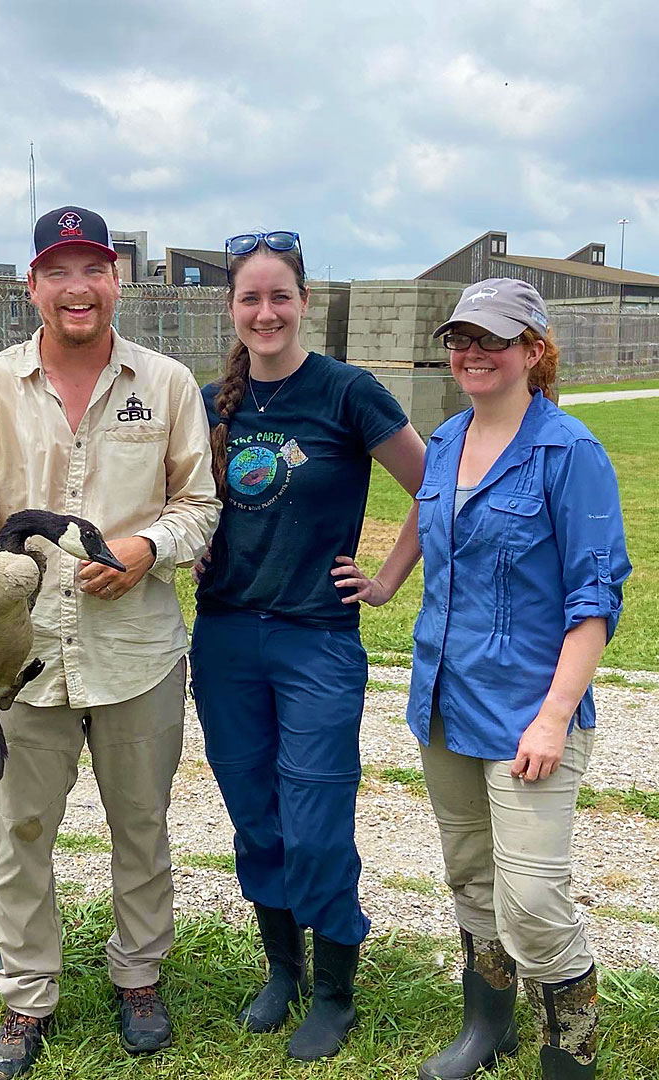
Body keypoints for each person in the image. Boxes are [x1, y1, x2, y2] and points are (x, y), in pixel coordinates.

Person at [0, 206, 220, 1078]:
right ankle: (26, 1000)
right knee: (21, 829)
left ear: (117, 280)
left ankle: (138, 976)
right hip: (20, 658)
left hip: (137, 654)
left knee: (141, 824)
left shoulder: (164, 384)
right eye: (59, 270)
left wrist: (145, 549)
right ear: (33, 284)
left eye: (95, 268)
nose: (77, 287)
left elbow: (199, 507)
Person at [334, 278, 631, 1080]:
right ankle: (487, 1029)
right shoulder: (449, 439)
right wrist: (389, 582)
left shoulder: (570, 453)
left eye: (493, 340)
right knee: (471, 877)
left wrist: (553, 718)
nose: (471, 354)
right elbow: (432, 517)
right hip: (444, 699)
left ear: (534, 351)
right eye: (460, 339)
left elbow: (594, 600)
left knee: (532, 903)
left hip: (530, 714)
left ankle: (570, 1057)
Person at [189, 231, 427, 1062]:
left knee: (317, 816)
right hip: (222, 637)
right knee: (256, 814)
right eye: (249, 298)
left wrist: (390, 579)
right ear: (232, 308)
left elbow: (435, 487)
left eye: (279, 296)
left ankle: (334, 990)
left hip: (315, 639)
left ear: (304, 301)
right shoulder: (211, 398)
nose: (265, 312)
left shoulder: (346, 391)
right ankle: (281, 969)